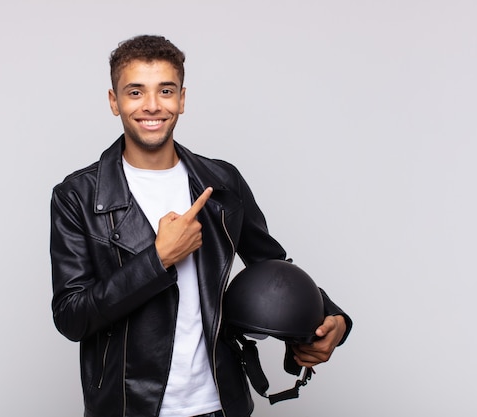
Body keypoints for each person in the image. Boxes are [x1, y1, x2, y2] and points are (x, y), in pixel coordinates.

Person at [50, 34, 352, 417]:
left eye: (165, 90)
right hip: (129, 406)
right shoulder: (77, 196)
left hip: (219, 403)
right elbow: (71, 316)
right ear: (114, 101)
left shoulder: (222, 183)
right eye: (135, 92)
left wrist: (332, 318)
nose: (153, 106)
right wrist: (157, 259)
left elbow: (272, 266)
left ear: (182, 99)